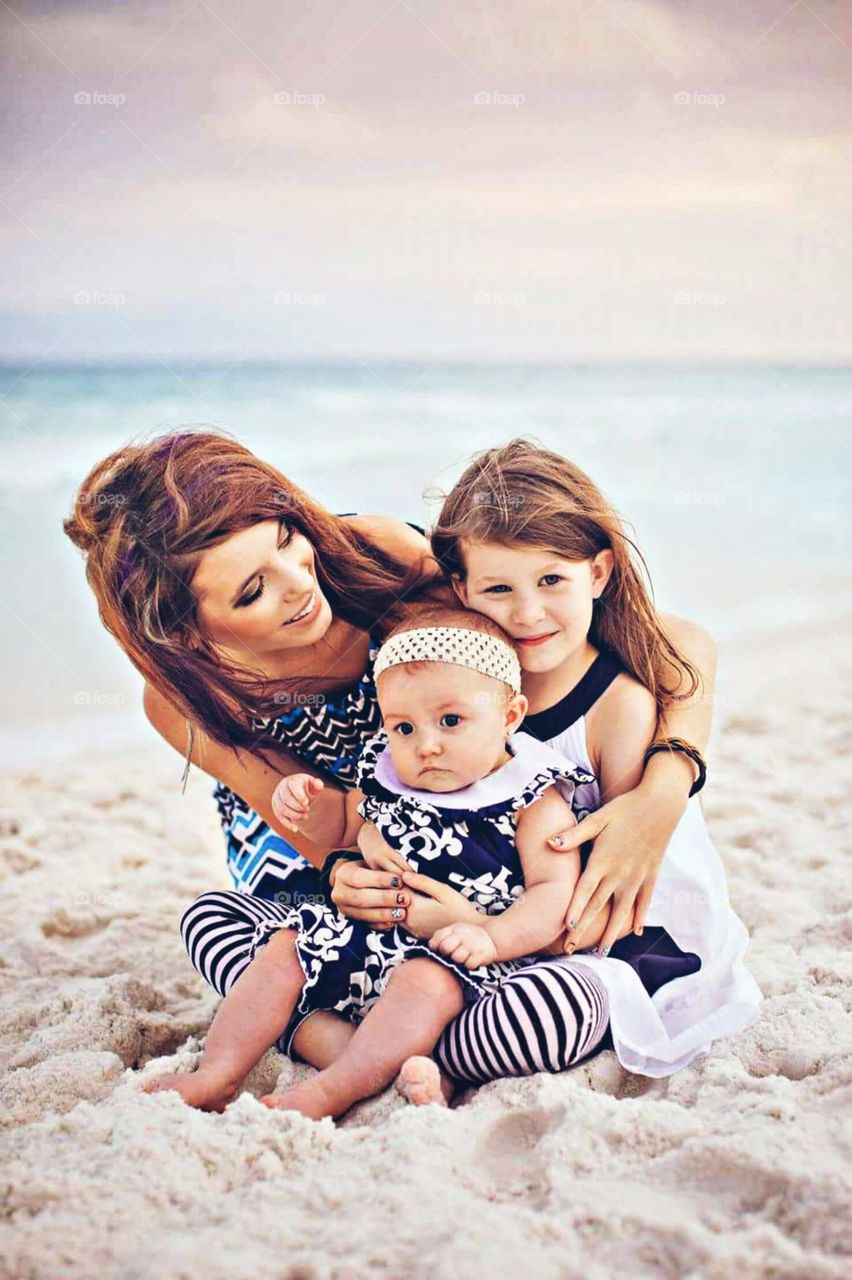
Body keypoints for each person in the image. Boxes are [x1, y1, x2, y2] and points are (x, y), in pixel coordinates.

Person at [63, 428, 722, 1090]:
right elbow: (317, 837)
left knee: (523, 972)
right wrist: (346, 868)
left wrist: (665, 788)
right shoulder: (185, 699)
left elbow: (677, 643)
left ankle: (377, 1047)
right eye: (251, 592)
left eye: (289, 541)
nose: (301, 585)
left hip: (479, 842)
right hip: (342, 852)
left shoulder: (376, 559)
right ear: (184, 631)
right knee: (216, 925)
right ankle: (359, 1049)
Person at [145, 612, 616, 1118]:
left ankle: (337, 1086)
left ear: (509, 715)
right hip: (360, 944)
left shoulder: (533, 797)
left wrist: (490, 937)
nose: (426, 745)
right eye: (404, 727)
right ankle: (218, 1073)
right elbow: (343, 826)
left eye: (451, 721)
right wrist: (305, 802)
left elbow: (552, 894)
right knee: (270, 942)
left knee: (555, 1001)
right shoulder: (390, 772)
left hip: (460, 966)